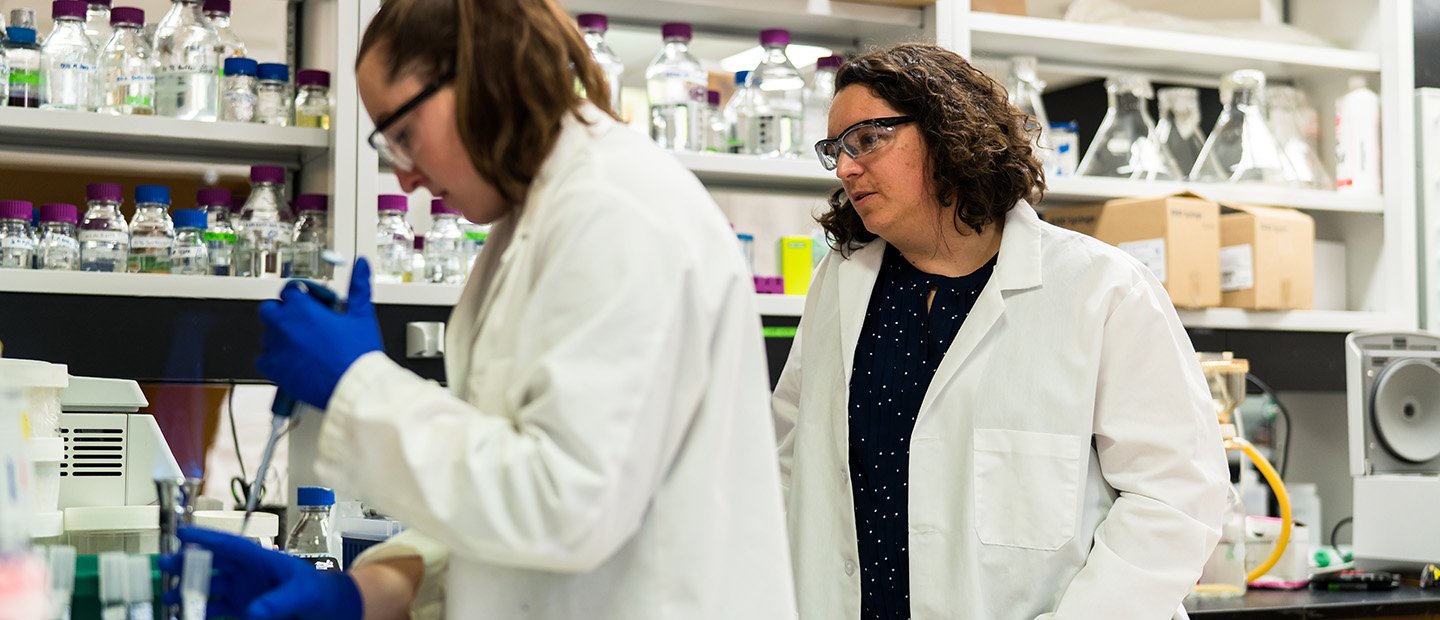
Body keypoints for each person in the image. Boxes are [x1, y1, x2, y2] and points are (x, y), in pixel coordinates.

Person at [164, 1, 797, 618]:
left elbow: (566, 504)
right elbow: (504, 493)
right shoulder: (533, 217)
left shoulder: (617, 211)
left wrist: (361, 383)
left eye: (404, 135)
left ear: (480, 75)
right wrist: (369, 590)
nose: (404, 177)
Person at [772, 43, 1229, 619]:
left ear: (946, 132)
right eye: (835, 149)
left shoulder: (1104, 290)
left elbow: (1177, 498)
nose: (845, 166)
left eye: (868, 138)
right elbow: (791, 462)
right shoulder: (842, 284)